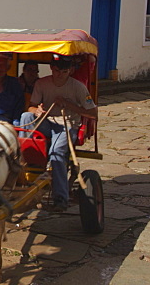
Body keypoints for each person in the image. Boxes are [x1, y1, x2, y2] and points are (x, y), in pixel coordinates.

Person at [18, 55, 97, 212]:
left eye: (64, 71)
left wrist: (69, 105)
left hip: (67, 125)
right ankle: (27, 156)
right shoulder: (42, 83)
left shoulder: (78, 87)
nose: (60, 74)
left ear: (70, 70)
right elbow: (31, 107)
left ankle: (61, 197)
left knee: (56, 153)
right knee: (25, 116)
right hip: (47, 122)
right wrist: (37, 110)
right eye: (56, 70)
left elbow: (93, 113)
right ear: (52, 69)